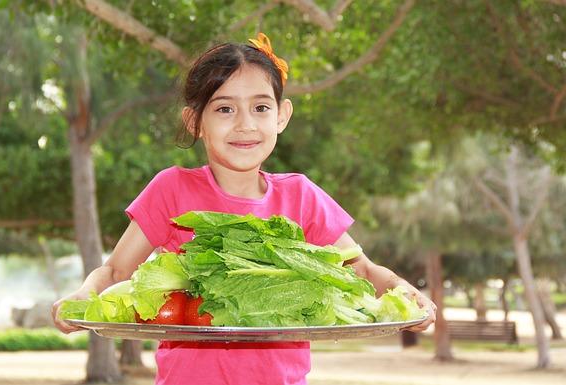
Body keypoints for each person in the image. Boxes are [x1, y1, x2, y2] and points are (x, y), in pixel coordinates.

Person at [52, 32, 436, 385]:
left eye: (260, 107)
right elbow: (117, 270)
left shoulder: (301, 196)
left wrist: (405, 293)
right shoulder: (171, 189)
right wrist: (84, 297)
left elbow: (363, 271)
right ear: (195, 121)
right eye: (224, 109)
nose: (245, 124)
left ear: (281, 116)